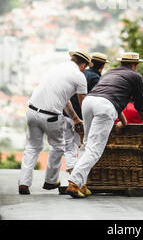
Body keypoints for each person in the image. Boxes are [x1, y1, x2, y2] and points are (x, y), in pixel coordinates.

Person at [65, 51, 143, 198]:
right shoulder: (135, 76)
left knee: (86, 145)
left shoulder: (110, 73)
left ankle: (82, 184)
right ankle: (74, 182)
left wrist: (124, 122)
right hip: (105, 106)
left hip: (89, 102)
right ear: (134, 65)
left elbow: (109, 97)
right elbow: (140, 103)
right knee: (95, 149)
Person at [18, 50, 92, 195]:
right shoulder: (79, 76)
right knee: (58, 146)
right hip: (51, 116)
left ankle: (23, 183)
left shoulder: (57, 68)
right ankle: (51, 181)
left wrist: (75, 118)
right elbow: (84, 102)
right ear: (83, 65)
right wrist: (86, 121)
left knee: (32, 147)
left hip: (32, 111)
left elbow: (64, 100)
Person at [63, 52, 110, 174]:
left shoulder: (82, 73)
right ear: (103, 66)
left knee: (68, 145)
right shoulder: (97, 79)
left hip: (67, 113)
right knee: (84, 145)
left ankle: (72, 168)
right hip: (82, 117)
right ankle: (79, 173)